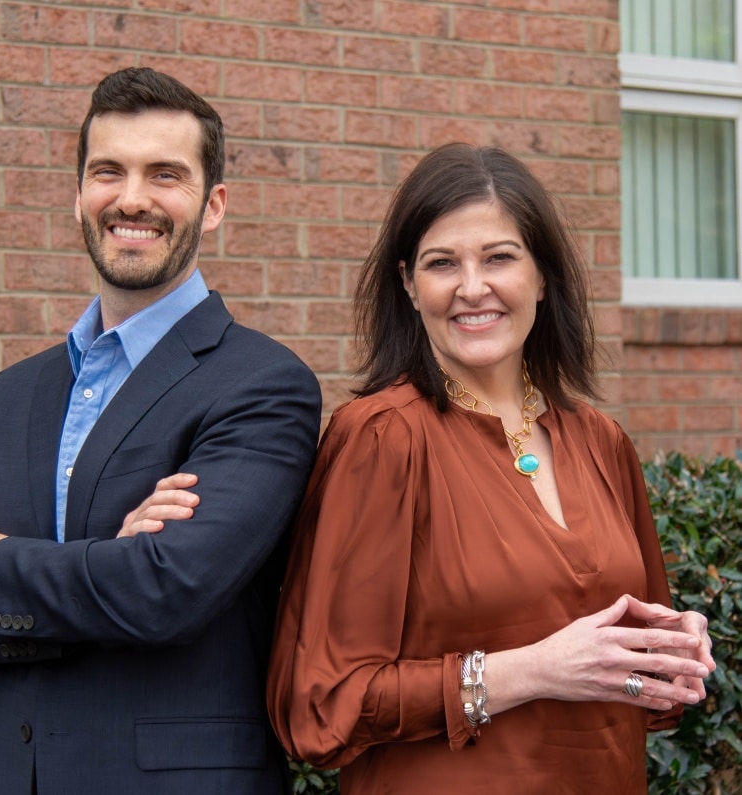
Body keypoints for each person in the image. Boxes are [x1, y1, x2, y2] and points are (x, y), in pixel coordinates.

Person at [0, 67, 322, 795]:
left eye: (165, 175)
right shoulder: (13, 394)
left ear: (213, 204)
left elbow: (169, 590)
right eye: (108, 172)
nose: (132, 199)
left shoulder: (262, 383)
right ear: (78, 196)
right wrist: (106, 566)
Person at [266, 143, 714, 794]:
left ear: (541, 277)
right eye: (442, 263)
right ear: (408, 285)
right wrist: (531, 670)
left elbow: (647, 686)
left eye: (499, 258)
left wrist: (673, 646)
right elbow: (322, 705)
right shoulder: (383, 440)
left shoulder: (602, 441)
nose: (472, 287)